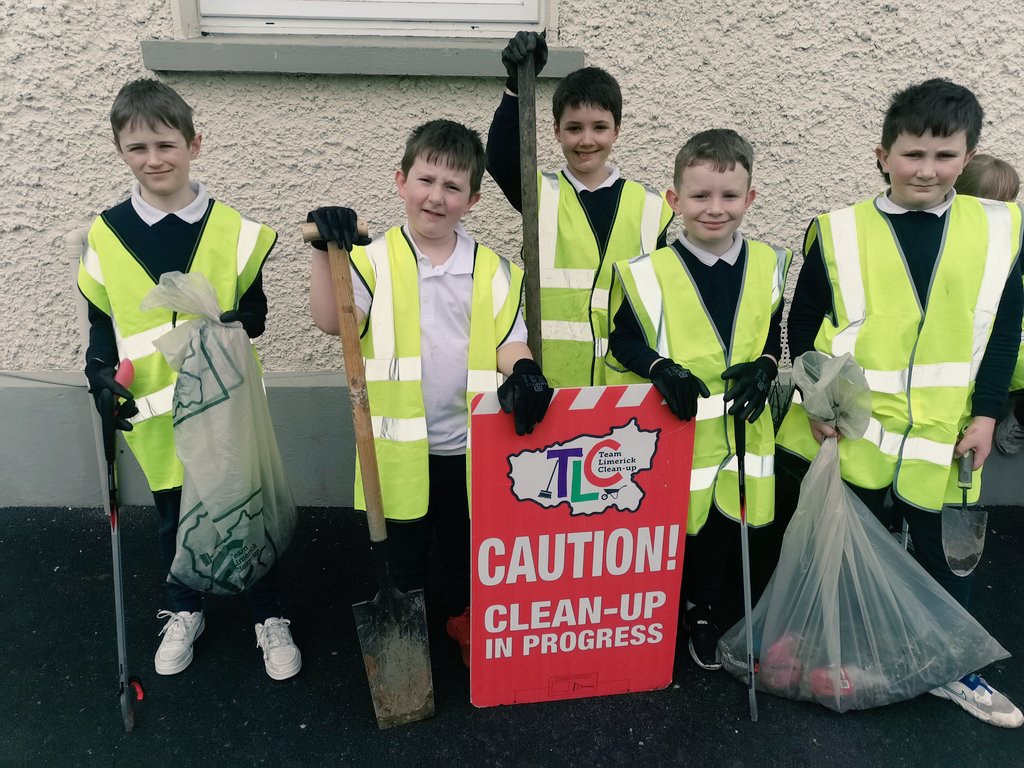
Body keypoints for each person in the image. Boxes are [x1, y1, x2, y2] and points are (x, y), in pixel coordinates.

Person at [776, 79, 1024, 728]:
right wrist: (814, 398)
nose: (928, 169)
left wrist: (988, 412)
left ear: (967, 158)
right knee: (846, 549)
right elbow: (804, 325)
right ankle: (843, 657)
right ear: (881, 154)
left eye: (945, 156)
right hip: (855, 431)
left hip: (945, 433)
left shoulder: (999, 230)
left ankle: (950, 669)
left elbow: (1004, 328)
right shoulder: (836, 231)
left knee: (949, 560)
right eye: (913, 154)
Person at [307, 119, 553, 667]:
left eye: (452, 187)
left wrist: (526, 372)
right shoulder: (370, 261)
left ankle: (466, 623)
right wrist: (327, 252)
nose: (436, 197)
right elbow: (331, 321)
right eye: (425, 180)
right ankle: (406, 637)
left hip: (472, 447)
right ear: (401, 181)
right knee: (405, 554)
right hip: (398, 452)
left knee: (469, 550)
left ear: (474, 199)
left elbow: (508, 343)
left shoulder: (493, 272)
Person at [77, 79, 301, 680]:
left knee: (241, 508)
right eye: (138, 148)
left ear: (194, 143)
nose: (154, 160)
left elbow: (255, 313)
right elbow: (103, 320)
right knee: (177, 517)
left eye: (166, 144)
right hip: (154, 409)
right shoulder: (106, 232)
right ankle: (183, 607)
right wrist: (99, 375)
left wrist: (235, 320)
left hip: (225, 405)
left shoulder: (235, 230)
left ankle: (268, 613)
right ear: (120, 150)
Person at [606, 129, 791, 671]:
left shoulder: (770, 263)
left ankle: (725, 610)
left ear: (750, 199)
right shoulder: (647, 273)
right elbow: (623, 339)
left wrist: (767, 367)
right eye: (700, 196)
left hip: (744, 431)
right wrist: (658, 368)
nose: (715, 209)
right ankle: (692, 611)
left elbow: (771, 331)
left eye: (730, 197)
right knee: (683, 531)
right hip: (680, 431)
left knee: (739, 528)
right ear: (674, 201)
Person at [486, 32, 674, 387]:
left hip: (629, 391)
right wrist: (515, 85)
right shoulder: (539, 193)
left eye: (599, 127)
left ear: (617, 130)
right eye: (574, 128)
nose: (586, 140)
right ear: (556, 132)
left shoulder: (653, 208)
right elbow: (499, 157)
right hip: (555, 384)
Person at [954, 155, 1024, 456]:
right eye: (1003, 201)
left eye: (1013, 199)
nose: (1012, 208)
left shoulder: (1015, 233)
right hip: (985, 347)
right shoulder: (955, 240)